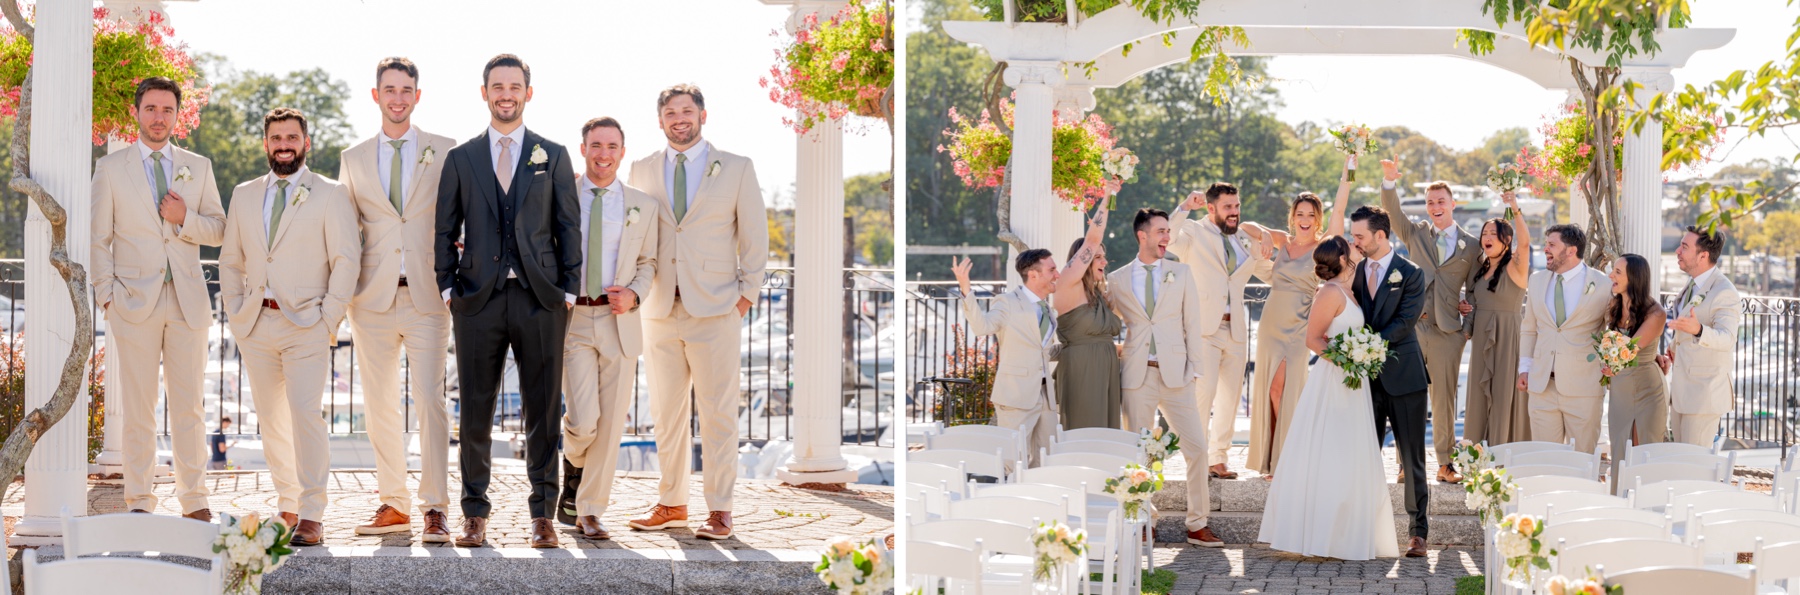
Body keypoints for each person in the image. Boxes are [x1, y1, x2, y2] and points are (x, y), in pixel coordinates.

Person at [433, 54, 583, 548]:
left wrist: (567, 289)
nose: (506, 93)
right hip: (477, 300)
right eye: (497, 86)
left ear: (527, 93)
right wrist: (449, 286)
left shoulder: (553, 154)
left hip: (540, 299)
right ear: (484, 93)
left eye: (514, 86)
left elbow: (568, 226)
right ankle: (474, 512)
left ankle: (542, 513)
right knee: (475, 410)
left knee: (544, 407)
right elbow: (444, 227)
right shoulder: (462, 158)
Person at [624, 84, 769, 540]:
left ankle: (720, 508)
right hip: (659, 308)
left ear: (703, 116)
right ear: (660, 120)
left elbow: (755, 237)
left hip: (716, 307)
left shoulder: (738, 168)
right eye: (670, 112)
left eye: (686, 111)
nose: (678, 118)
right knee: (665, 415)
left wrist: (745, 295)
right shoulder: (642, 168)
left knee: (718, 414)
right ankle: (671, 503)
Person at [219, 107, 360, 546]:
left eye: (292, 138)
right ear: (266, 143)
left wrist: (327, 319)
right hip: (255, 323)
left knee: (304, 415)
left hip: (307, 325)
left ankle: (313, 511)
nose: (284, 145)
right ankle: (288, 504)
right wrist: (238, 313)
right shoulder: (243, 194)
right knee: (272, 420)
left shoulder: (331, 194)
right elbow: (230, 260)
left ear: (306, 143)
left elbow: (346, 259)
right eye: (276, 138)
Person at [90, 76, 225, 522]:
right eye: (151, 108)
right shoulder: (111, 169)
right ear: (136, 112)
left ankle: (195, 502)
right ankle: (139, 502)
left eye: (167, 109)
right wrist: (107, 296)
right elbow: (98, 240)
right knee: (138, 409)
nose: (158, 117)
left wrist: (185, 217)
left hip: (187, 302)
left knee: (189, 407)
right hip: (132, 303)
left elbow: (220, 230)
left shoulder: (198, 166)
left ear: (177, 114)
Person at [339, 57, 456, 542]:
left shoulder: (445, 150)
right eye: (390, 89)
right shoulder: (354, 158)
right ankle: (393, 501)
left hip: (429, 296)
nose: (398, 97)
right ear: (376, 95)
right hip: (372, 300)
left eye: (406, 89)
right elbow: (346, 231)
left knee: (430, 402)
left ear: (417, 96)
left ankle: (434, 506)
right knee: (380, 404)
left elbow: (461, 214)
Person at [1259, 236, 1399, 560]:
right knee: (1333, 450)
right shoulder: (1330, 292)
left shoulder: (1349, 289)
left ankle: (1347, 533)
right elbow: (1312, 339)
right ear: (1340, 256)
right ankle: (1324, 535)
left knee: (1351, 452)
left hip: (1353, 381)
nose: (1355, 243)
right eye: (1350, 243)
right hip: (1336, 379)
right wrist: (1349, 362)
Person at [559, 117, 659, 541]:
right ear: (583, 148)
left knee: (612, 423)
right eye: (596, 145)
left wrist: (634, 294)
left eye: (612, 146)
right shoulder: (561, 196)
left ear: (623, 150)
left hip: (620, 321)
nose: (604, 154)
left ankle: (591, 510)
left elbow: (649, 263)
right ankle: (573, 465)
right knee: (584, 423)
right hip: (574, 320)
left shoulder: (642, 204)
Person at [1108, 208, 1224, 547]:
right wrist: (1115, 351)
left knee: (1198, 448)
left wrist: (1195, 370)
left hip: (1177, 375)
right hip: (1136, 376)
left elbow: (1193, 323)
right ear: (1142, 235)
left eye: (1167, 232)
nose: (1166, 238)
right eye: (1160, 231)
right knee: (1137, 454)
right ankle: (1143, 521)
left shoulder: (1181, 272)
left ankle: (1197, 524)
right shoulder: (1116, 279)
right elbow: (1108, 323)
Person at [1243, 168, 1351, 479]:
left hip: (1301, 326)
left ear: (1318, 220)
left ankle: (1288, 456)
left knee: (1284, 390)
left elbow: (1340, 209)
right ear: (1293, 217)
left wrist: (1347, 170)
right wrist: (1264, 233)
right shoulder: (1282, 240)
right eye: (1300, 213)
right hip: (1270, 324)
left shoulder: (1324, 245)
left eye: (1311, 214)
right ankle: (1272, 459)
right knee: (1270, 391)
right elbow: (1247, 226)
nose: (1305, 219)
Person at [1379, 160, 1480, 484]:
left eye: (1441, 201)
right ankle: (1406, 465)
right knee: (1407, 397)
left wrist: (1465, 331)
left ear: (1452, 204)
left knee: (1444, 401)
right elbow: (1393, 214)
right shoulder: (1416, 233)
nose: (1436, 207)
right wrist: (1389, 182)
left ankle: (1445, 464)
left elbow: (1476, 291)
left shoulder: (1472, 245)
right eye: (1430, 202)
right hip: (1412, 326)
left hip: (1449, 332)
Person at [1167, 182, 1274, 479]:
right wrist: (1184, 207)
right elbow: (1170, 238)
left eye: (1237, 206)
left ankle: (1218, 458)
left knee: (1230, 398)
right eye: (1228, 207)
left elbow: (1269, 273)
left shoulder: (1241, 237)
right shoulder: (1192, 231)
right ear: (1211, 208)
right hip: (1204, 330)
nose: (1234, 212)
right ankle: (1198, 457)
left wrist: (1309, 286)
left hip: (1236, 329)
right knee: (1203, 395)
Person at [1348, 204, 1431, 557]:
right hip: (1364, 378)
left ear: (1380, 235)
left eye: (1360, 236)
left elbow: (1404, 322)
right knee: (1363, 455)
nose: (1355, 242)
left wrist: (1367, 344)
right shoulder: (1351, 271)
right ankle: (1364, 526)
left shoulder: (1411, 273)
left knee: (1411, 457)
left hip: (1405, 376)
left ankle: (1417, 533)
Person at [952, 250, 1062, 466]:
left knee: (1048, 459)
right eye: (1052, 269)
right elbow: (982, 326)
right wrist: (966, 289)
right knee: (1012, 462)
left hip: (1045, 395)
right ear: (1033, 274)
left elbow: (1043, 351)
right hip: (1016, 395)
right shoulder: (1007, 302)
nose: (1057, 274)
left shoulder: (1047, 308)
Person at [1518, 224, 1613, 455]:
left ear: (1571, 251)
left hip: (1584, 388)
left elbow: (1614, 330)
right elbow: (1529, 327)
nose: (1545, 250)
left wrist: (1611, 363)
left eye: (1552, 244)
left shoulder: (1603, 284)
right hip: (1541, 387)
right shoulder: (1537, 280)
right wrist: (1524, 369)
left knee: (1583, 460)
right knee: (1544, 459)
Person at [1460, 194, 1532, 445]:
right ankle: (1475, 455)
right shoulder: (1480, 269)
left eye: (1493, 233)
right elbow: (1475, 302)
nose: (1487, 238)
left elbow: (1525, 244)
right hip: (1481, 337)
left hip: (1508, 336)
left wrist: (1515, 208)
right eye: (1484, 233)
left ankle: (1503, 454)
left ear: (1506, 239)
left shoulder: (1515, 266)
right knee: (1478, 396)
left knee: (1503, 394)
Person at [1663, 227, 1741, 446]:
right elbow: (1687, 328)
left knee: (1693, 467)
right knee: (1681, 463)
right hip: (1683, 392)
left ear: (1703, 255)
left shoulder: (1724, 291)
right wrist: (1673, 347)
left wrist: (1699, 331)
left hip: (1703, 395)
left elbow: (1727, 339)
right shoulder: (1693, 284)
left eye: (1684, 247)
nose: (1677, 251)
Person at [1050, 209, 1118, 430]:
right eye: (1097, 257)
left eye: (1103, 256)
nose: (1104, 261)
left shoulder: (1099, 295)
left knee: (1106, 435)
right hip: (1082, 370)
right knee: (1086, 432)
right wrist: (1108, 195)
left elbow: (1102, 338)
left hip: (1107, 371)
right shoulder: (1068, 283)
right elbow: (1093, 239)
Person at [1604, 253, 1669, 471]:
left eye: (1618, 272)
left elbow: (1630, 350)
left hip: (1647, 390)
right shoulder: (1613, 306)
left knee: (1644, 452)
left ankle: (1644, 503)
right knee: (1620, 451)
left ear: (1634, 278)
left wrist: (1609, 364)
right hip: (1620, 389)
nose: (1611, 275)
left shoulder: (1656, 313)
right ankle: (1620, 502)